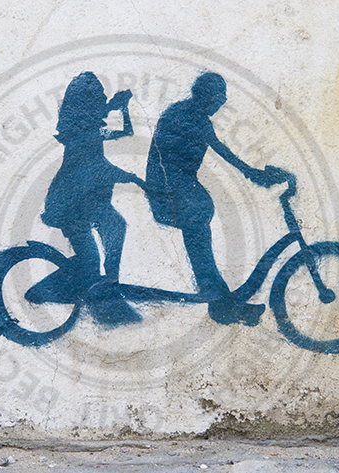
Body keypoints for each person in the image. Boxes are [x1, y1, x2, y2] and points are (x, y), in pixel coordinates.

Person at [146, 72, 280, 326]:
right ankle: (219, 302)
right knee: (199, 227)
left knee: (201, 239)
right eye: (219, 99)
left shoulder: (194, 117)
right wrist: (251, 173)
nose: (220, 105)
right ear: (206, 96)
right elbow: (217, 150)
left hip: (179, 188)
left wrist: (251, 172)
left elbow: (220, 149)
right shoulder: (184, 116)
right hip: (170, 190)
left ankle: (221, 302)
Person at [28, 72, 146, 310]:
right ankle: (44, 291)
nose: (104, 99)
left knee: (113, 227)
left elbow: (126, 132)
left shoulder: (89, 130)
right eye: (99, 96)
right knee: (91, 257)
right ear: (87, 104)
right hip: (72, 204)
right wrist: (133, 178)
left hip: (85, 202)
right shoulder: (84, 134)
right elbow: (99, 167)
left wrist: (122, 108)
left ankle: (109, 280)